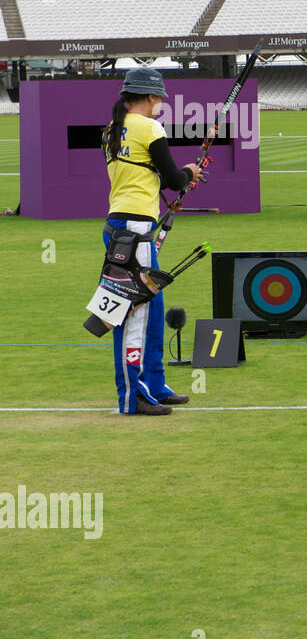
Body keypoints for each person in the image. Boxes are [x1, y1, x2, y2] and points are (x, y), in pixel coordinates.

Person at [101, 67, 203, 416]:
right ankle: (133, 396)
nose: (160, 102)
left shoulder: (112, 130)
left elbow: (143, 180)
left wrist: (176, 181)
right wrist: (189, 174)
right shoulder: (149, 127)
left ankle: (154, 386)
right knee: (136, 311)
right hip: (133, 230)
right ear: (146, 97)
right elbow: (174, 179)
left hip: (125, 225)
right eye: (158, 96)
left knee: (153, 309)